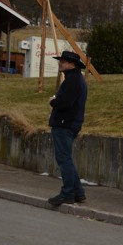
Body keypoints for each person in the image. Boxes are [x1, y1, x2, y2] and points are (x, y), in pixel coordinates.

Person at [47, 50, 88, 206]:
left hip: (65, 124)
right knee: (67, 159)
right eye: (60, 61)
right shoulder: (76, 79)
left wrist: (53, 101)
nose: (60, 63)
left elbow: (64, 103)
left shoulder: (73, 80)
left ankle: (68, 193)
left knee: (64, 160)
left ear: (72, 64)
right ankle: (78, 192)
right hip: (70, 123)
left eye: (63, 61)